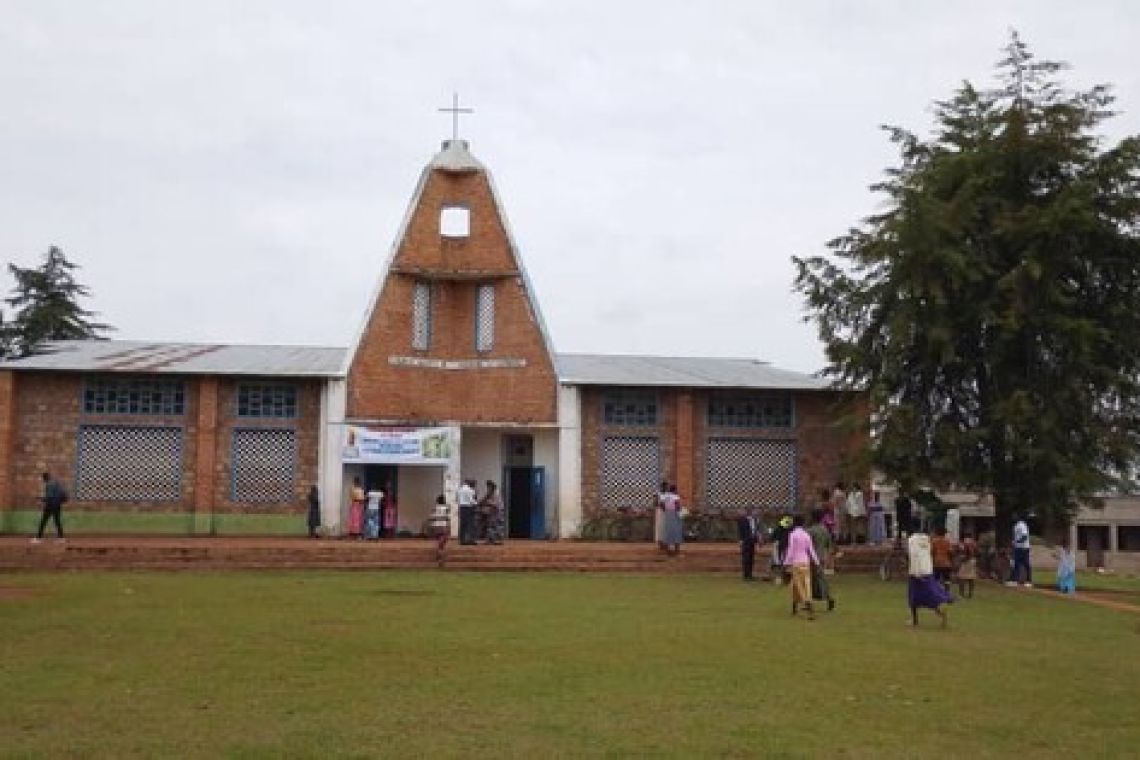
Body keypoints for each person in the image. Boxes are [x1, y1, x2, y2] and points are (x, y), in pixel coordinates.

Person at [907, 521, 953, 628]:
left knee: (913, 597)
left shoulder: (912, 541)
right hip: (927, 570)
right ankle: (940, 610)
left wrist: (915, 571)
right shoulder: (928, 541)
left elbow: (913, 556)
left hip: (916, 571)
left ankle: (915, 620)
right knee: (931, 594)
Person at [783, 514, 820, 620]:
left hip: (796, 562)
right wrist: (816, 562)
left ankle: (806, 602)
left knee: (799, 585)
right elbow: (811, 550)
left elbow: (790, 550)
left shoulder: (793, 535)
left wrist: (786, 563)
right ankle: (797, 605)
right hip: (805, 562)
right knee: (805, 584)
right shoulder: (806, 535)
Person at [807, 508, 836, 611]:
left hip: (812, 558)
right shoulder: (824, 530)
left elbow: (807, 546)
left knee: (811, 580)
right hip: (822, 557)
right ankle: (826, 598)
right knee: (820, 579)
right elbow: (829, 545)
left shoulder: (810, 531)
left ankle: (827, 598)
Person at [32, 471, 67, 544]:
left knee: (43, 521)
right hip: (57, 505)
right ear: (49, 476)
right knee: (57, 521)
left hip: (50, 505)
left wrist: (40, 498)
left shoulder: (48, 485)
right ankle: (61, 538)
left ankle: (38, 538)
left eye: (42, 479)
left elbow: (49, 497)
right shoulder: (57, 483)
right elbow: (64, 495)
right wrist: (60, 502)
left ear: (44, 479)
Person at [1007, 514, 1033, 588]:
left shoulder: (1022, 525)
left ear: (1017, 517)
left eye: (1014, 516)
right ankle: (1015, 580)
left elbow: (1024, 537)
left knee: (1026, 563)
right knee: (1016, 564)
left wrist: (1017, 542)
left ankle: (1029, 581)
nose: (1013, 518)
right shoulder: (1016, 526)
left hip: (1024, 547)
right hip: (1018, 547)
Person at [737, 507, 760, 581]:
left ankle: (750, 574)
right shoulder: (743, 520)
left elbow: (755, 531)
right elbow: (740, 530)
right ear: (751, 512)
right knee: (746, 558)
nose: (757, 513)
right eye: (755, 512)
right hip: (745, 541)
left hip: (752, 541)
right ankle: (745, 575)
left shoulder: (755, 520)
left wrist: (758, 540)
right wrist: (740, 540)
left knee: (751, 558)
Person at [768, 513, 792, 583]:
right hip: (779, 548)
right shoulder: (780, 528)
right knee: (778, 563)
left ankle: (783, 578)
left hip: (785, 548)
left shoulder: (788, 529)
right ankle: (779, 577)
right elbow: (772, 538)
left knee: (783, 563)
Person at [660, 484, 683, 556]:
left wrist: (666, 510)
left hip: (667, 514)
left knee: (667, 531)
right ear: (675, 490)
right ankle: (677, 550)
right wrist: (680, 510)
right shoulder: (675, 496)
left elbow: (662, 505)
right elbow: (678, 506)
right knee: (677, 531)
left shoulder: (665, 496)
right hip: (674, 514)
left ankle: (668, 550)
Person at [429, 494, 451, 566]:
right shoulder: (447, 508)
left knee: (439, 542)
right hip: (443, 526)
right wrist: (448, 527)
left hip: (436, 526)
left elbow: (431, 517)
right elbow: (447, 518)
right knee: (442, 544)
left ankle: (439, 556)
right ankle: (440, 559)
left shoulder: (435, 508)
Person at [931, 527, 954, 592]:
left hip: (937, 563)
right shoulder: (947, 541)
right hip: (946, 563)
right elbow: (950, 552)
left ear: (937, 533)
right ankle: (947, 592)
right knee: (947, 579)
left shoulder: (934, 541)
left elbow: (932, 552)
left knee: (936, 579)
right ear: (944, 533)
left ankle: (936, 592)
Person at [480, 480, 503, 545]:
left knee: (496, 527)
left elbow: (497, 504)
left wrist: (489, 503)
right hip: (490, 513)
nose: (488, 489)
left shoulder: (496, 494)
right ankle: (490, 540)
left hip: (496, 513)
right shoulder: (488, 495)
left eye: (489, 487)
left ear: (492, 488)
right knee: (489, 527)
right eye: (488, 487)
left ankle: (498, 540)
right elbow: (482, 501)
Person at [955, 533, 978, 599]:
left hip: (967, 561)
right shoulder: (974, 543)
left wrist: (965, 559)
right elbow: (977, 552)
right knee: (971, 577)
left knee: (961, 577)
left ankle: (961, 594)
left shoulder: (965, 543)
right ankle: (970, 594)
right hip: (973, 560)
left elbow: (968, 552)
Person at [457, 478, 477, 545]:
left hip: (461, 507)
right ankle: (470, 540)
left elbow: (457, 499)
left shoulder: (459, 490)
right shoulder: (470, 490)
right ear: (469, 483)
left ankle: (462, 540)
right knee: (470, 524)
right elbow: (471, 500)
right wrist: (477, 503)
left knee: (463, 524)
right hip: (468, 508)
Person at [654, 480, 669, 551]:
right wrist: (660, 504)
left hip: (667, 512)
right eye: (665, 486)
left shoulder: (668, 494)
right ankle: (660, 544)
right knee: (660, 527)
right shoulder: (658, 494)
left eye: (667, 487)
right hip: (660, 512)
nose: (666, 488)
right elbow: (655, 503)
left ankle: (666, 543)